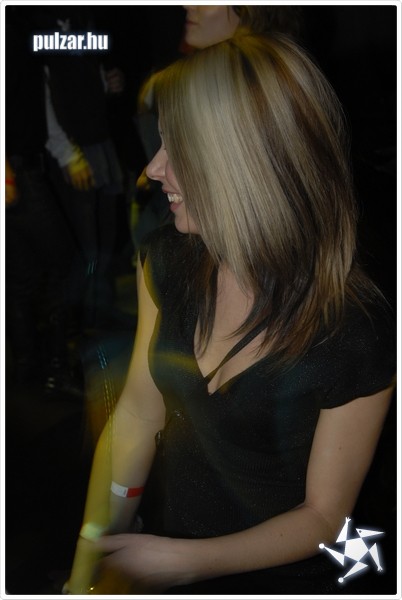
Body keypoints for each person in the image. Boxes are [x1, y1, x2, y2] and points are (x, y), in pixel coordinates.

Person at [65, 32, 395, 595]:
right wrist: (89, 560)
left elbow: (324, 517)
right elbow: (139, 415)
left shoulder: (355, 328)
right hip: (174, 548)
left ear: (242, 163)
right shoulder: (167, 262)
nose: (152, 168)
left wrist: (189, 562)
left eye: (177, 149)